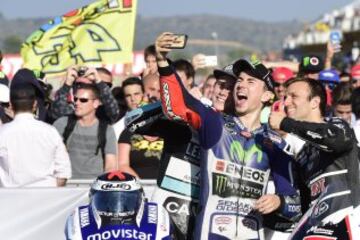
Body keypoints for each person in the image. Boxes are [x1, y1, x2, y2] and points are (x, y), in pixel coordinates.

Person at [155, 32, 301, 240]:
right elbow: (179, 103)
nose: (241, 85)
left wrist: (279, 202)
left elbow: (294, 202)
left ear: (267, 96)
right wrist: (162, 62)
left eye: (251, 81)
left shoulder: (274, 143)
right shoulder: (215, 124)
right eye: (239, 80)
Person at [123, 64, 237, 239]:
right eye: (221, 85)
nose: (223, 92)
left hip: (211, 218)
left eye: (230, 88)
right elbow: (132, 120)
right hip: (167, 212)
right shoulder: (186, 119)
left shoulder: (241, 135)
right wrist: (177, 105)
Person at [269, 77, 360, 239]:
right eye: (285, 97)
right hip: (317, 221)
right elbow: (300, 206)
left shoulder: (337, 125)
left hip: (348, 216)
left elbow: (335, 141)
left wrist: (285, 123)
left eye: (293, 96)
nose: (286, 102)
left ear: (314, 102)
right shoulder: (301, 152)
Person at [65, 171, 173, 240]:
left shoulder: (155, 211)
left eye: (126, 200)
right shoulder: (80, 215)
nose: (116, 205)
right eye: (107, 200)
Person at [0, 83, 71, 187]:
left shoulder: (3, 133)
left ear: (11, 105)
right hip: (46, 199)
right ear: (34, 104)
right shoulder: (50, 132)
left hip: (12, 199)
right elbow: (63, 172)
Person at [53, 84, 117, 179]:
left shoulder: (107, 130)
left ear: (96, 103)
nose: (77, 103)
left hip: (93, 185)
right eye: (75, 99)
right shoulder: (62, 124)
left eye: (83, 100)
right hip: (66, 184)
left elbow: (111, 166)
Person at [50, 66, 119, 124]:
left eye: (107, 85)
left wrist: (99, 81)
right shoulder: (76, 101)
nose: (101, 86)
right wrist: (67, 84)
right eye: (95, 81)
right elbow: (58, 113)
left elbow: (113, 111)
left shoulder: (105, 109)